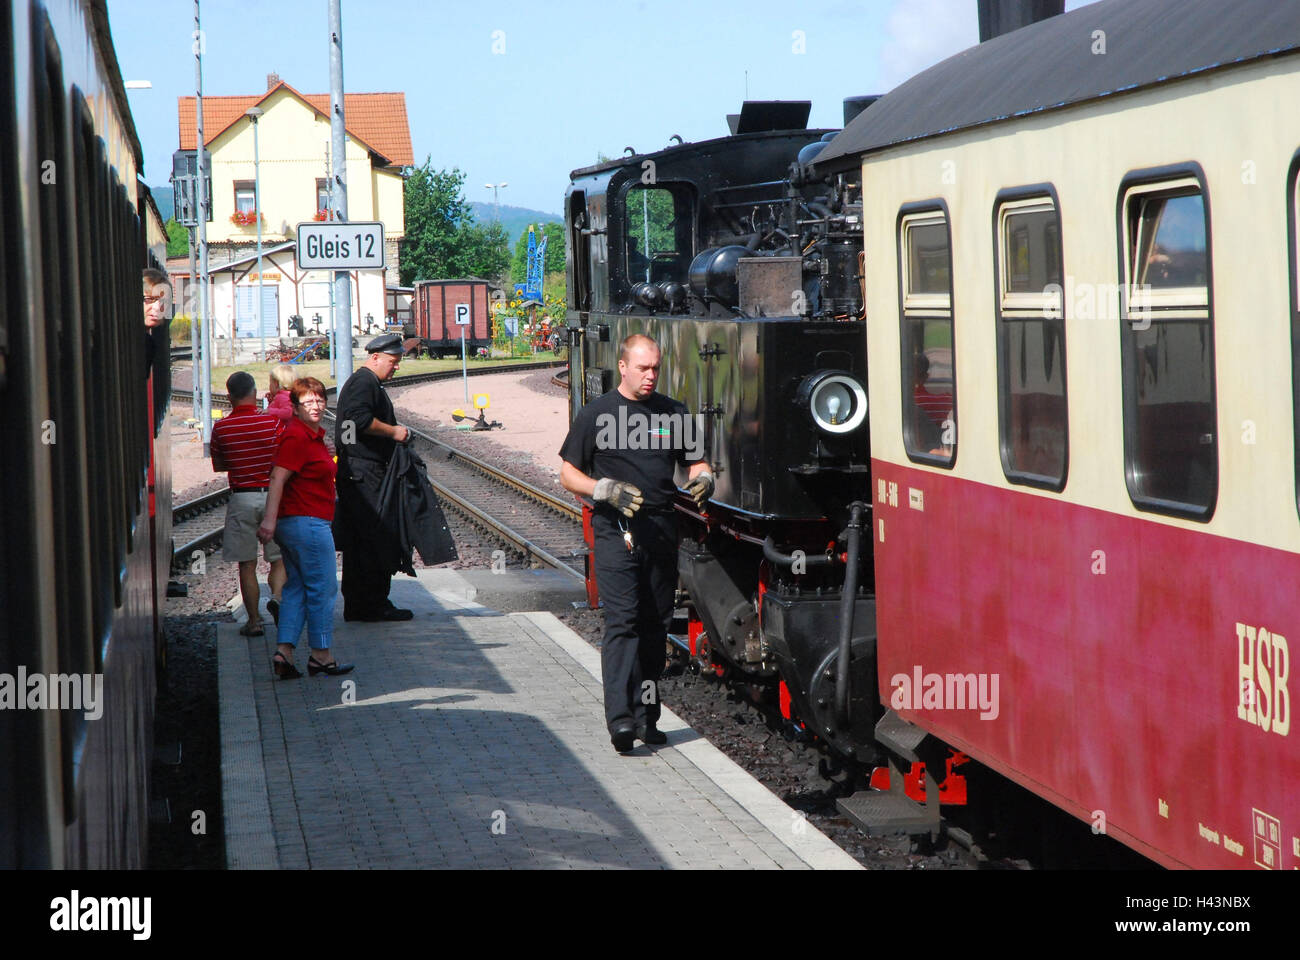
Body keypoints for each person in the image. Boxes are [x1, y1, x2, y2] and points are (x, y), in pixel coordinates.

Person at [559, 333, 713, 753]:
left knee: (654, 628)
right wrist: (602, 489)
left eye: (656, 368)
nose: (650, 375)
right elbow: (568, 474)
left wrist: (704, 477)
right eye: (643, 368)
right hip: (616, 533)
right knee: (623, 623)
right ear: (623, 366)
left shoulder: (673, 414)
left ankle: (647, 716)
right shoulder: (597, 414)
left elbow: (696, 461)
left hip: (662, 533)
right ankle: (621, 721)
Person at [257, 377, 353, 679]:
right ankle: (321, 655)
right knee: (323, 588)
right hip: (307, 523)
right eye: (307, 402)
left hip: (302, 522)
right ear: (296, 409)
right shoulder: (297, 437)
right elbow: (277, 478)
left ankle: (284, 653)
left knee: (297, 588)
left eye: (319, 400)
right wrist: (269, 522)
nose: (315, 406)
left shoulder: (310, 436)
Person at [333, 333, 414, 622]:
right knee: (372, 538)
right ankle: (371, 604)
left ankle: (362, 605)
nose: (396, 367)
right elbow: (356, 421)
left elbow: (346, 429)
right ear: (375, 357)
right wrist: (393, 432)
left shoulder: (362, 383)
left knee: (361, 542)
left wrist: (350, 454)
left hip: (358, 470)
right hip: (364, 474)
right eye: (393, 361)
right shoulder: (364, 383)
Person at [210, 371, 288, 636]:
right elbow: (285, 458)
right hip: (274, 497)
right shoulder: (273, 423)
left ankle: (254, 621)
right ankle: (277, 601)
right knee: (278, 559)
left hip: (242, 497)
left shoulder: (221, 428)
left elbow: (220, 465)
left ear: (229, 397)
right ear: (255, 394)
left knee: (247, 563)